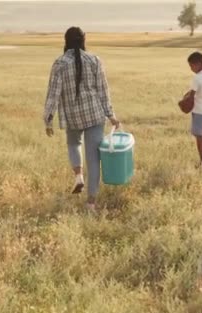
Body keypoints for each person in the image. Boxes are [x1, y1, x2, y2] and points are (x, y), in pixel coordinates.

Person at [43, 27, 120, 211]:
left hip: (72, 117)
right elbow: (103, 91)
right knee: (94, 160)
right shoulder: (94, 60)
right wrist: (111, 115)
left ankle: (78, 176)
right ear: (83, 40)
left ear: (66, 41)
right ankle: (91, 203)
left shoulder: (59, 63)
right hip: (94, 115)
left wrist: (48, 119)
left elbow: (53, 94)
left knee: (73, 144)